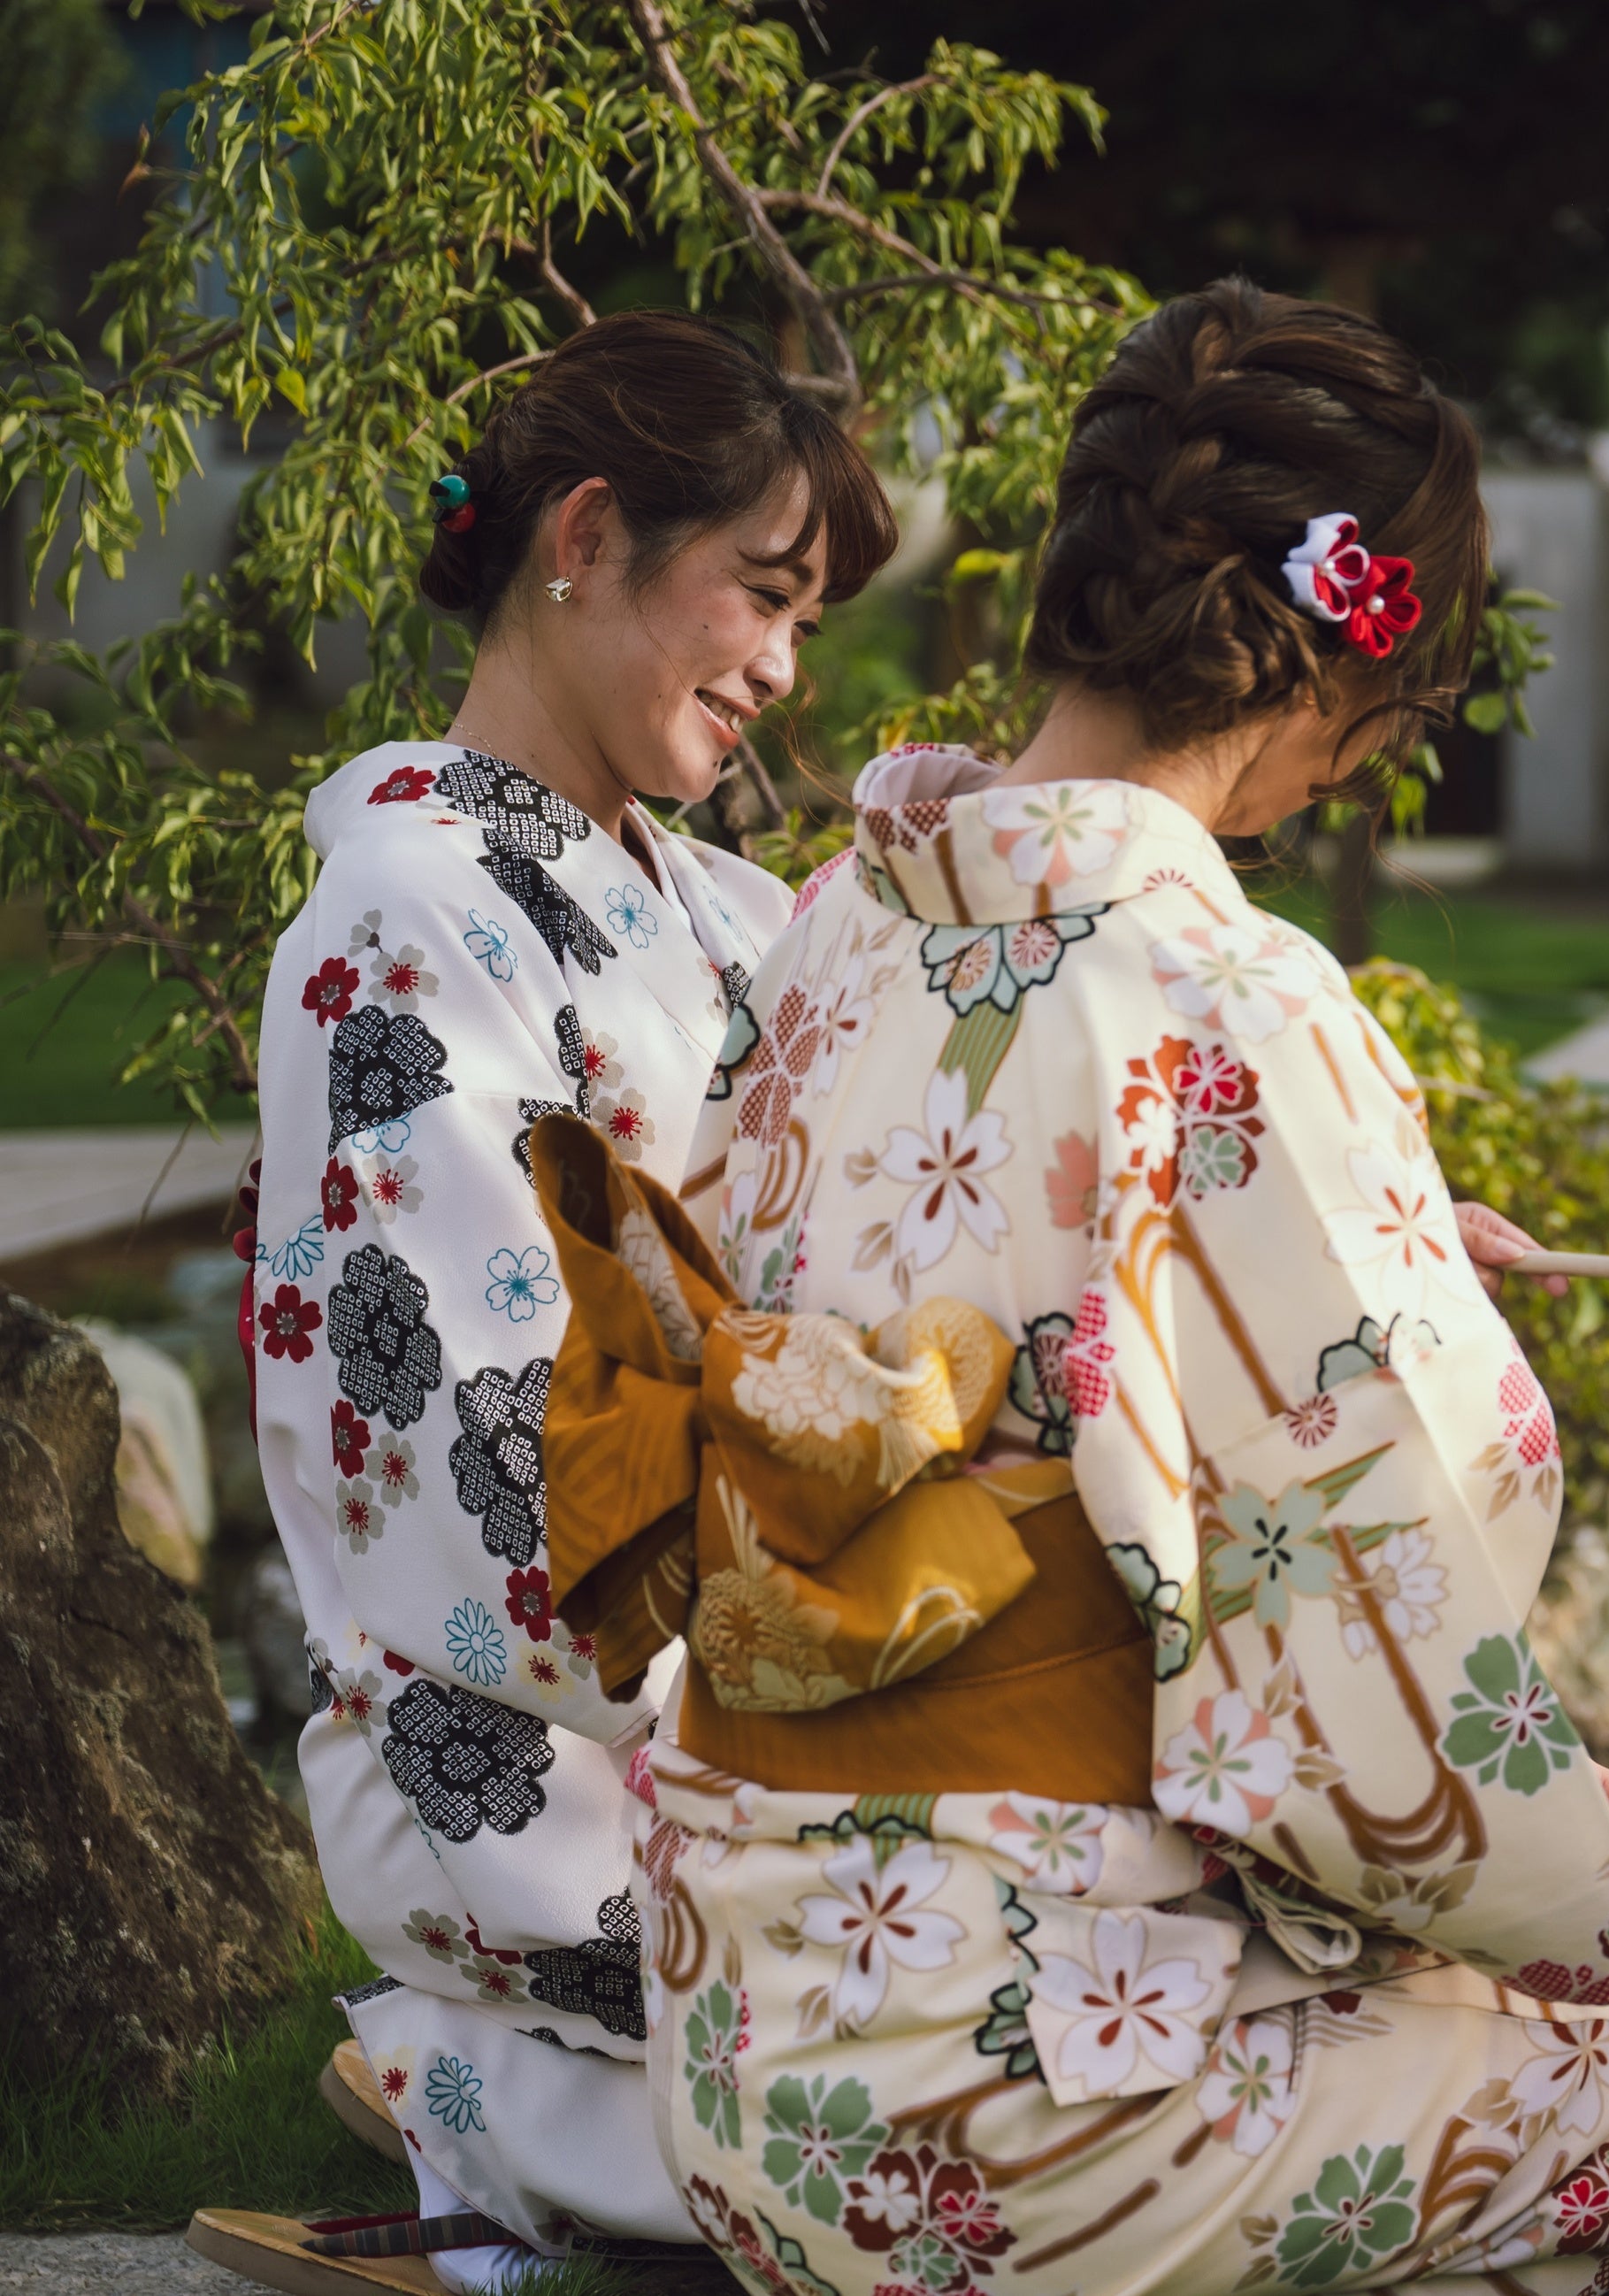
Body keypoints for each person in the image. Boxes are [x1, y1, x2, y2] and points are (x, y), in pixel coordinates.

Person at [533, 280, 1609, 2296]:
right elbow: (1416, 1537)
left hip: (739, 2052)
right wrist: (1571, 1868)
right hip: (1014, 2119)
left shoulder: (830, 928)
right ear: (1342, 656)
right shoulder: (1228, 1000)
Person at [221, 311, 898, 2291]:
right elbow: (473, 1449)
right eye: (760, 596)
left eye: (807, 623)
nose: (781, 667)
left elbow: (937, 1177)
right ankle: (493, 2096)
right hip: (553, 1727)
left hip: (757, 1648)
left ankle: (523, 2124)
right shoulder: (408, 911)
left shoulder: (716, 908)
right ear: (586, 534)